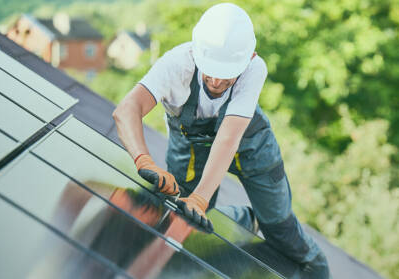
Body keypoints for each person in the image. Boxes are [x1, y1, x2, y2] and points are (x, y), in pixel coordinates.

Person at [111, 3, 329, 278]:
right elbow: (126, 110)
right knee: (183, 217)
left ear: (250, 56)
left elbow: (228, 138)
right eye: (209, 70)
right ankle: (239, 219)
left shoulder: (254, 69)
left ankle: (316, 268)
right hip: (191, 148)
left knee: (280, 229)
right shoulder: (176, 64)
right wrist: (143, 159)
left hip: (251, 148)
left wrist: (200, 198)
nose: (215, 81)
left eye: (225, 73)